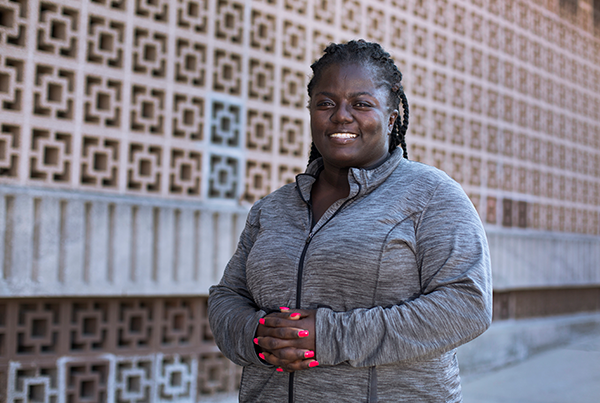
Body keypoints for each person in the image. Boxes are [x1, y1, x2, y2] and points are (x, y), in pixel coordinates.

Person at [208, 40, 492, 402]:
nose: (341, 115)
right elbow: (227, 297)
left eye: (361, 104)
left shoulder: (432, 195)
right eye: (326, 103)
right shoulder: (273, 208)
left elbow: (466, 306)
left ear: (391, 118)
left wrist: (326, 337)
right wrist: (258, 336)